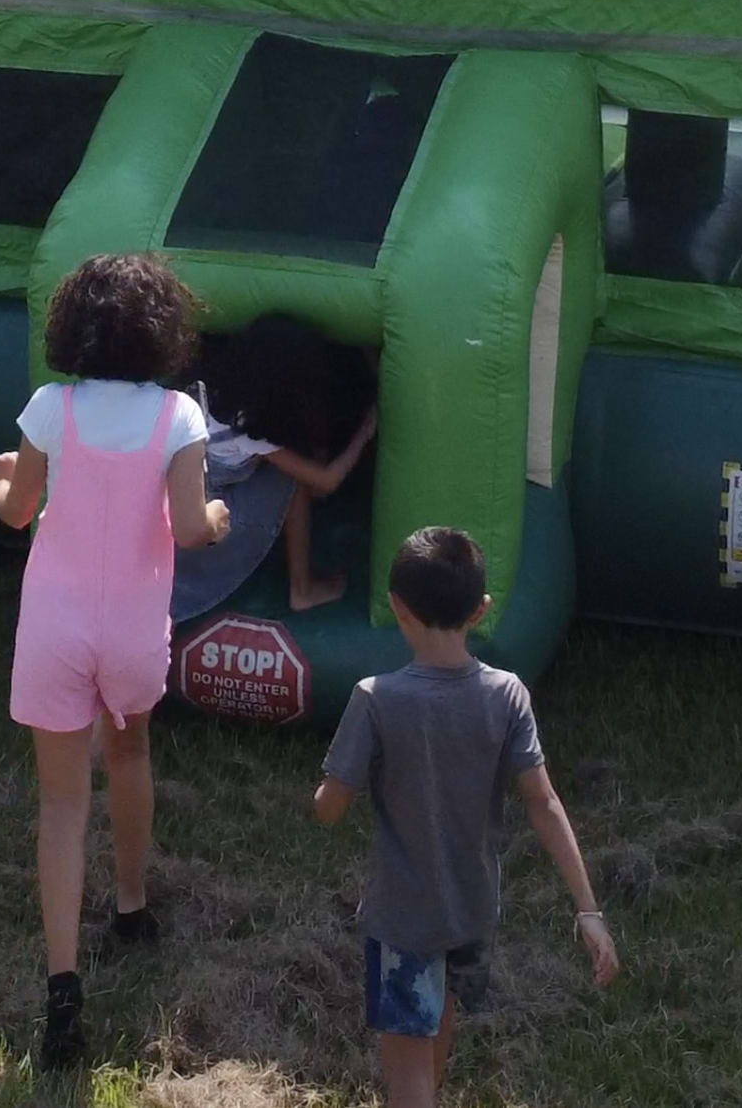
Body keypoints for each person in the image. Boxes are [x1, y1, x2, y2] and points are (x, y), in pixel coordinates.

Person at [0, 252, 233, 1070]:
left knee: (61, 803)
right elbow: (192, 526)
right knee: (129, 750)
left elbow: (19, 511)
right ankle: (130, 905)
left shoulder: (50, 408)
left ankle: (62, 990)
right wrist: (222, 515)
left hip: (54, 628)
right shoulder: (178, 419)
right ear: (163, 331)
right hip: (131, 628)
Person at [311, 526, 618, 1108]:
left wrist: (322, 796)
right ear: (481, 610)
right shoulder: (508, 695)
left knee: (408, 1082)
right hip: (472, 915)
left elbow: (331, 809)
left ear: (397, 609)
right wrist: (588, 911)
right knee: (435, 1042)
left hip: (404, 921)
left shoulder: (376, 697)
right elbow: (544, 804)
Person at [188, 313, 380, 611]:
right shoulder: (246, 427)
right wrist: (365, 432)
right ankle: (301, 589)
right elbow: (325, 481)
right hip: (213, 508)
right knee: (293, 479)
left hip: (198, 486)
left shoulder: (212, 389)